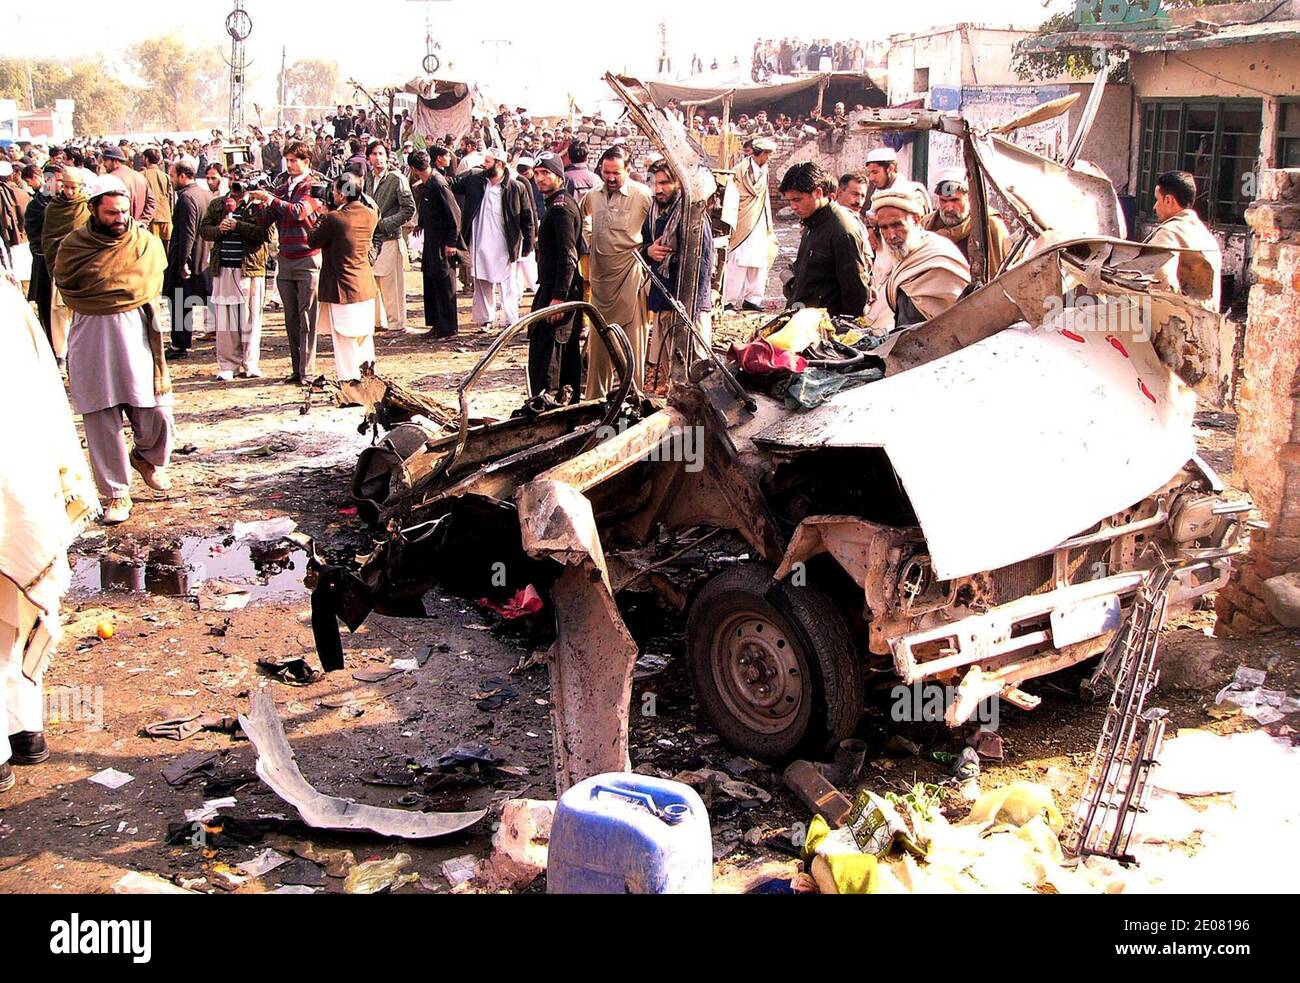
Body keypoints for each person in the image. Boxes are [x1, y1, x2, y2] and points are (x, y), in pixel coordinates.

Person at [0, 275, 99, 794]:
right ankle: (22, 726)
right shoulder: (6, 296)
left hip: (14, 473)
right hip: (20, 480)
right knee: (13, 607)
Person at [54, 174, 173, 526]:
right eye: (111, 213)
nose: (120, 218)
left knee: (157, 411)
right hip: (92, 334)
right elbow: (67, 283)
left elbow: (151, 283)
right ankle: (116, 494)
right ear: (93, 210)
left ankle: (147, 457)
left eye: (123, 211)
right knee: (101, 417)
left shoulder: (145, 243)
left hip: (138, 331)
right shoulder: (74, 247)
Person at [250, 141, 326, 383]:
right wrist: (257, 203)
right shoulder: (283, 188)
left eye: (294, 160)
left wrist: (271, 199)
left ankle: (308, 372)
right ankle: (297, 370)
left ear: (306, 161)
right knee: (291, 318)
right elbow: (266, 220)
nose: (290, 164)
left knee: (307, 319)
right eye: (288, 160)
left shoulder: (314, 186)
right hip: (286, 258)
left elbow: (298, 212)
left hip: (307, 258)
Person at [582, 146, 654, 397]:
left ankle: (633, 401)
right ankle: (594, 403)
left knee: (632, 345)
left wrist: (649, 251)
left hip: (630, 278)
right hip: (600, 282)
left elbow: (658, 227)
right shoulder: (593, 195)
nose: (611, 178)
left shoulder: (643, 195)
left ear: (628, 170)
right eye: (606, 172)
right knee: (598, 346)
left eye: (616, 173)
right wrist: (590, 238)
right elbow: (581, 218)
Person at [642, 160, 714, 395]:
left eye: (664, 183)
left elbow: (703, 264)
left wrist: (690, 311)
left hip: (686, 305)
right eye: (655, 183)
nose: (658, 189)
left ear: (679, 183)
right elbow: (645, 246)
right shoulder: (655, 214)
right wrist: (649, 252)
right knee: (670, 371)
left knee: (693, 373)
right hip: (662, 299)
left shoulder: (692, 216)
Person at [453, 146, 535, 331]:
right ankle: (486, 319)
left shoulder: (516, 187)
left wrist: (528, 243)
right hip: (480, 240)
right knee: (482, 282)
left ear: (499, 164)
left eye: (488, 161)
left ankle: (511, 319)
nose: (483, 164)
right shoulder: (476, 181)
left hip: (505, 243)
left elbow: (527, 217)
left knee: (508, 283)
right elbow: (452, 184)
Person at [199, 174, 272, 380]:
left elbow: (267, 235)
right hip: (224, 267)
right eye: (233, 181)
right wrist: (219, 229)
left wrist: (237, 226)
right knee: (226, 318)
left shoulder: (258, 206)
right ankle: (227, 364)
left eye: (241, 182)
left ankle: (250, 362)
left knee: (250, 317)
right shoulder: (218, 204)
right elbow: (204, 231)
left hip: (249, 269)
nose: (237, 186)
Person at [307, 173, 379, 382]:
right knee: (364, 338)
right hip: (364, 284)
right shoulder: (370, 214)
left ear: (341, 194)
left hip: (342, 286)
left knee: (344, 340)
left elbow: (312, 240)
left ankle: (349, 383)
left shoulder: (334, 218)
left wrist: (321, 215)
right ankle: (368, 379)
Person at [780, 161, 869, 318]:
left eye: (797, 200)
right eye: (790, 201)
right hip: (802, 319)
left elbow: (855, 292)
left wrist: (843, 332)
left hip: (824, 327)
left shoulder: (842, 229)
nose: (793, 207)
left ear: (818, 193)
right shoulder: (812, 221)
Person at [872, 190, 971, 329]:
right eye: (884, 227)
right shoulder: (904, 255)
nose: (891, 235)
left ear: (916, 220)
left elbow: (960, 318)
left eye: (897, 225)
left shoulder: (939, 255)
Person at [528, 154, 583, 403]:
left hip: (559, 290)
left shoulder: (561, 208)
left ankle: (549, 406)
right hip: (554, 287)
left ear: (559, 177)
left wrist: (559, 298)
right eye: (537, 173)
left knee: (549, 354)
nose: (539, 178)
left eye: (545, 173)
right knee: (555, 351)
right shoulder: (556, 204)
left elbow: (568, 255)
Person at [1145, 170, 1222, 311]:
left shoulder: (1170, 232)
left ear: (1168, 200)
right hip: (1205, 322)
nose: (1155, 207)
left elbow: (1157, 281)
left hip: (1175, 323)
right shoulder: (1206, 236)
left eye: (1157, 199)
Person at [42, 166, 92, 366]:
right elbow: (48, 239)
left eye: (73, 187)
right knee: (59, 312)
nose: (69, 192)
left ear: (80, 187)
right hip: (60, 268)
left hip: (84, 269)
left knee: (82, 313)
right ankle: (61, 354)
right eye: (66, 187)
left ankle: (82, 352)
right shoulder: (53, 208)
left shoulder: (88, 207)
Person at [364, 141, 416, 333]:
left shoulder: (397, 179)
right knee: (373, 283)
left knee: (391, 284)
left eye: (381, 154)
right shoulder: (368, 179)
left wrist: (386, 223)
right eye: (374, 154)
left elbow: (409, 208)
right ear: (368, 157)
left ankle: (397, 324)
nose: (378, 158)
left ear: (387, 156)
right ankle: (378, 322)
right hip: (371, 239)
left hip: (390, 237)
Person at [163, 161, 214, 359]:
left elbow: (187, 233)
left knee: (178, 302)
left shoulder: (186, 198)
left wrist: (183, 261)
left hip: (189, 258)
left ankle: (179, 344)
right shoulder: (205, 195)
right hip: (204, 255)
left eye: (173, 176)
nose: (171, 180)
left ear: (183, 176)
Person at [412, 148, 463, 338]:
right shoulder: (426, 184)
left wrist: (452, 242)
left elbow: (455, 214)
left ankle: (449, 327)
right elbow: (429, 208)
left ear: (413, 168)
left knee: (445, 283)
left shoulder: (438, 184)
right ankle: (437, 324)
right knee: (432, 280)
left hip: (444, 243)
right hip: (431, 241)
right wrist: (421, 224)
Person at [722, 137, 777, 311]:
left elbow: (764, 196)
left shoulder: (765, 170)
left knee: (759, 259)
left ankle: (753, 299)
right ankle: (728, 300)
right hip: (742, 218)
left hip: (759, 218)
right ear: (760, 154)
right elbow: (733, 194)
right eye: (767, 154)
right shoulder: (740, 170)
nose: (768, 158)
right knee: (738, 259)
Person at [922, 168, 1009, 276]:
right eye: (943, 201)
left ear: (969, 198)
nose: (949, 208)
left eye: (955, 200)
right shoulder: (927, 225)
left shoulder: (989, 225)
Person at [24, 164, 59, 343]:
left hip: (64, 264)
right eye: (57, 182)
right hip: (44, 262)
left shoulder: (71, 205)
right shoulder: (39, 206)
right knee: (47, 308)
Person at [100, 145, 157, 225]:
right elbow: (151, 203)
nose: (103, 164)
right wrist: (141, 222)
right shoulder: (139, 176)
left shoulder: (110, 179)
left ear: (115, 161)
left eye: (106, 160)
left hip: (118, 230)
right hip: (138, 232)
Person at [864, 147, 930, 215]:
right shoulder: (877, 192)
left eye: (875, 172)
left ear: (890, 168)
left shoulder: (913, 192)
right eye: (869, 173)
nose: (871, 178)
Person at [141, 148, 174, 255]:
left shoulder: (141, 175)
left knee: (152, 253)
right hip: (166, 217)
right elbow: (171, 198)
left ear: (146, 159)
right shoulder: (166, 177)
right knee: (166, 252)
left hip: (150, 218)